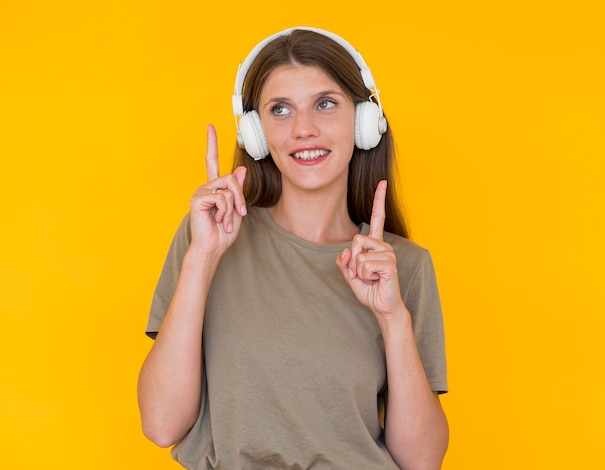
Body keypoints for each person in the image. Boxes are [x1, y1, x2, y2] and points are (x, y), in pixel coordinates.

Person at [138, 27, 448, 470]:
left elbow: (422, 461)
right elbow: (161, 424)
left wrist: (391, 317)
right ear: (256, 133)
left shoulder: (402, 267)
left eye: (325, 104)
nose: (304, 129)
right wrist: (202, 261)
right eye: (280, 110)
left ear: (363, 121)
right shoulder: (207, 238)